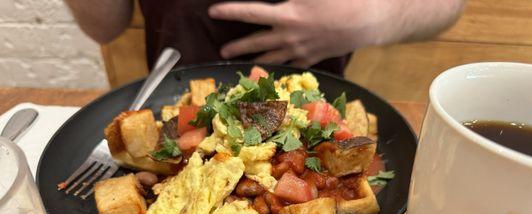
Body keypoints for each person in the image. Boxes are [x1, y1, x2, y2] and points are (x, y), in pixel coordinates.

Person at [65, 0, 466, 76]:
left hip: (316, 105)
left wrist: (376, 17)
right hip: (170, 102)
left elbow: (448, 4)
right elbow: (103, 26)